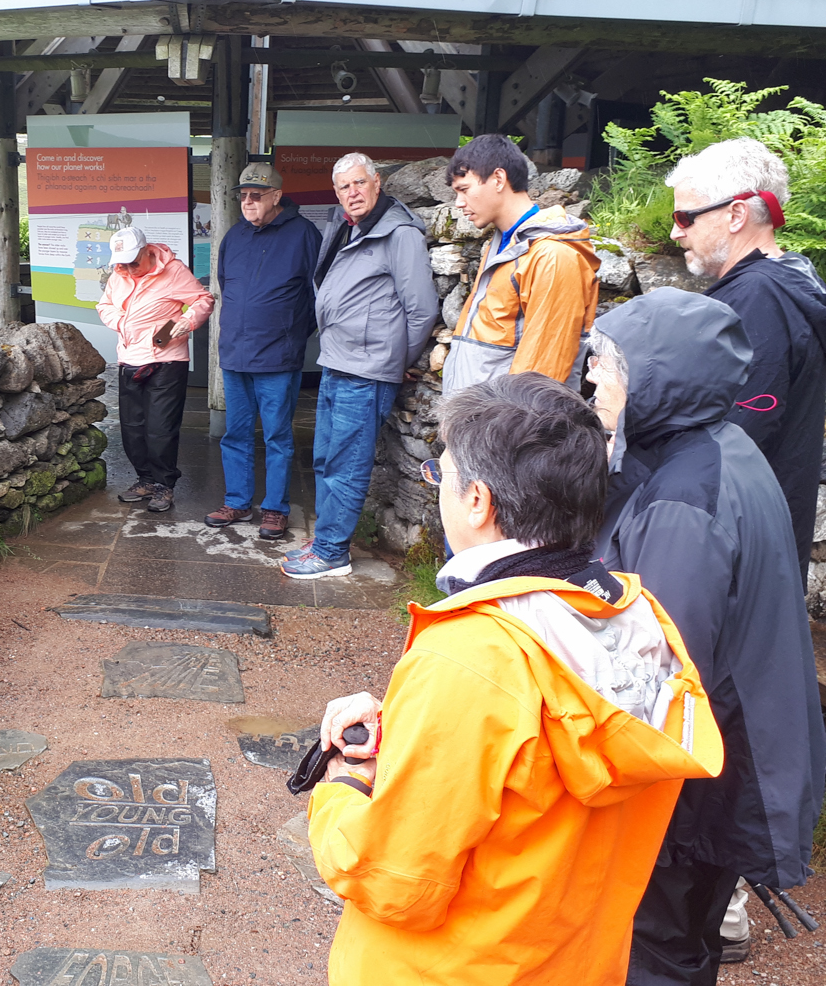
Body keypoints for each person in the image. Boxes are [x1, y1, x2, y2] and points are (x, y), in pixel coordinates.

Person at [308, 371, 721, 986]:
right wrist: (414, 729)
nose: (438, 488)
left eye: (439, 475)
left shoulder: (469, 656)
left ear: (478, 500)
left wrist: (344, 784)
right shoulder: (637, 621)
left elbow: (396, 882)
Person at [586, 288, 826, 985]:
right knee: (684, 938)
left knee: (654, 943)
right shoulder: (721, 447)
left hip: (696, 778)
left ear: (662, 377)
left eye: (611, 364)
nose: (595, 377)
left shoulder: (682, 503)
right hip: (736, 751)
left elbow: (658, 670)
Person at [666, 137, 826, 588]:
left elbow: (736, 431)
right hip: (768, 527)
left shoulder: (756, 299)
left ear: (736, 214)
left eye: (686, 217)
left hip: (735, 539)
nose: (676, 231)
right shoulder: (792, 279)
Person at [282, 152, 437, 578]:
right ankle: (328, 536)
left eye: (359, 183)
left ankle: (332, 552)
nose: (352, 192)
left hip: (367, 370)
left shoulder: (398, 233)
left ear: (377, 183)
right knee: (326, 459)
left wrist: (395, 360)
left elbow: (421, 310)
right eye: (344, 187)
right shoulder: (349, 228)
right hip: (337, 361)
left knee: (347, 464)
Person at [207, 162, 322, 540]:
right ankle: (237, 502)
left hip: (278, 357)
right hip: (236, 353)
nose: (248, 201)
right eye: (243, 195)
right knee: (234, 434)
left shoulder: (303, 234)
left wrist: (291, 334)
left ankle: (275, 509)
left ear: (276, 196)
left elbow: (317, 294)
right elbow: (226, 286)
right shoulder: (234, 237)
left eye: (256, 195)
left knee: (277, 437)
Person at [442, 134, 599, 393]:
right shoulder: (504, 244)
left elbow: (542, 374)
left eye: (464, 189)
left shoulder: (552, 257)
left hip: (508, 427)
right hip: (479, 422)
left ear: (499, 179)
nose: (459, 203)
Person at [96, 226, 214, 513]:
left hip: (166, 360)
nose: (128, 268)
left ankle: (164, 484)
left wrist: (186, 322)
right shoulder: (119, 274)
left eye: (133, 262)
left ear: (147, 251)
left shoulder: (173, 271)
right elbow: (105, 306)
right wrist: (122, 323)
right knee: (132, 428)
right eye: (122, 263)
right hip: (129, 359)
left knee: (160, 428)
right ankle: (145, 479)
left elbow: (203, 300)